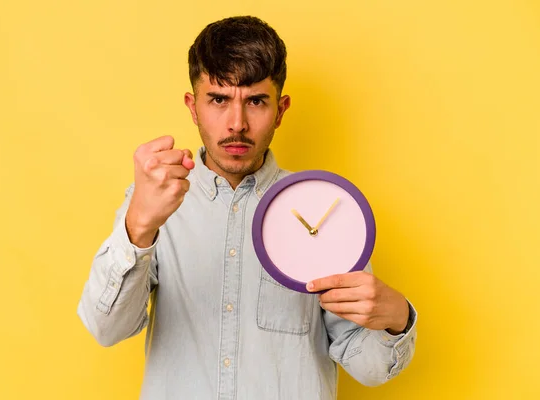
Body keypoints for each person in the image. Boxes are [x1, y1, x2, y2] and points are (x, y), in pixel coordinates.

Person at [77, 15, 417, 400]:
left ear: (281, 109)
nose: (236, 123)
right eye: (219, 99)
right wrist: (138, 227)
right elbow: (107, 329)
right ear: (193, 106)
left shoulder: (320, 209)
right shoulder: (155, 203)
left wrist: (397, 319)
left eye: (256, 101)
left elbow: (367, 365)